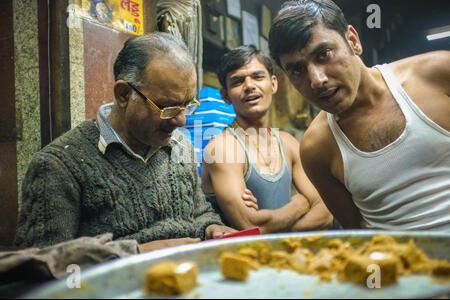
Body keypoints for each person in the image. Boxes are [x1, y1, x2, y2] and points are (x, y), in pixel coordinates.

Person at [15, 32, 235, 252]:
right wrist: (137, 254)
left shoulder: (179, 146)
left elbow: (199, 212)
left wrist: (212, 227)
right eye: (168, 107)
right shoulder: (59, 167)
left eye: (187, 104)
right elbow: (40, 267)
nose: (181, 120)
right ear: (123, 94)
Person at [268, 0, 450, 230]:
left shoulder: (436, 74)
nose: (316, 80)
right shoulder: (316, 147)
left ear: (353, 41)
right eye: (297, 70)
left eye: (323, 54)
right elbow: (356, 231)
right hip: (395, 264)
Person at [201, 45, 334, 234]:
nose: (249, 86)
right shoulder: (222, 149)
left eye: (257, 77)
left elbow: (326, 214)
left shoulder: (288, 144)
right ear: (225, 96)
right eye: (238, 81)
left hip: (285, 256)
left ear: (273, 83)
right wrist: (300, 204)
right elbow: (251, 226)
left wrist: (274, 230)